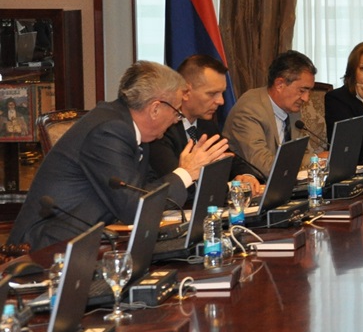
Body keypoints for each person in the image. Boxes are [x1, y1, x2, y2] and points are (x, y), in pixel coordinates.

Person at [9, 61, 230, 251]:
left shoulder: (133, 129)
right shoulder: (109, 130)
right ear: (155, 109)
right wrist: (186, 173)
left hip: (94, 239)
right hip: (50, 248)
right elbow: (135, 209)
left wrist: (187, 176)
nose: (176, 120)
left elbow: (146, 189)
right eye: (177, 112)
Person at [149, 54, 262, 201]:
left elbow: (233, 160)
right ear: (186, 92)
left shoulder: (206, 124)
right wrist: (229, 187)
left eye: (222, 93)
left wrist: (246, 176)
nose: (221, 101)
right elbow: (180, 186)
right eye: (212, 94)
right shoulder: (162, 130)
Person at [223, 50, 317, 179]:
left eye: (309, 91)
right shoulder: (249, 110)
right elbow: (264, 166)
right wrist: (313, 160)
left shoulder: (292, 109)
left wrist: (316, 160)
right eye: (302, 91)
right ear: (279, 85)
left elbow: (303, 152)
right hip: (255, 185)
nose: (306, 98)